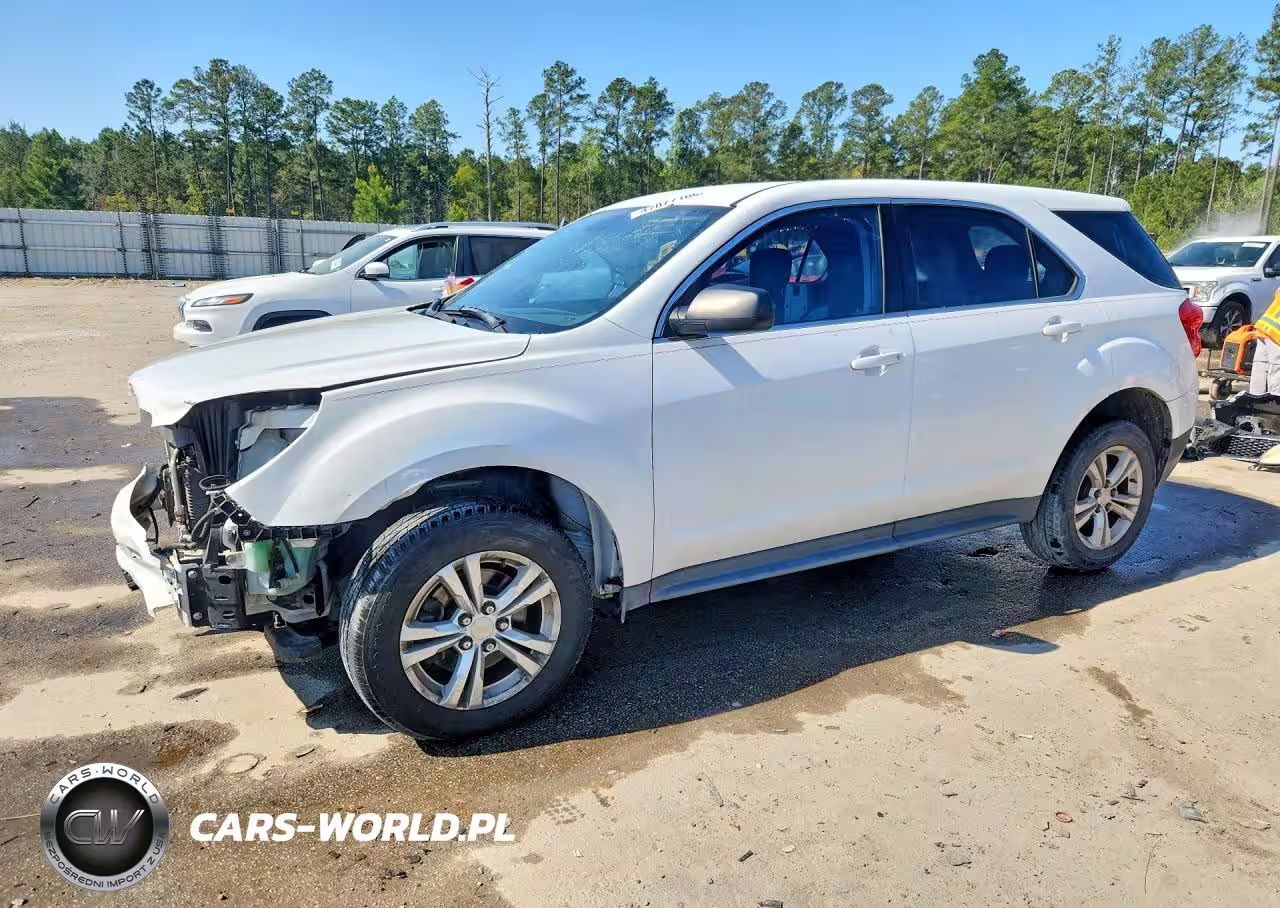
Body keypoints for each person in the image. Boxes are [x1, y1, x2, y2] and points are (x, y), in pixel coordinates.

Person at [1251, 289, 1280, 396]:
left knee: (1261, 364)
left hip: (1264, 328)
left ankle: (1255, 397)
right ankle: (1275, 401)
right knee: (1277, 368)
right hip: (1277, 334)